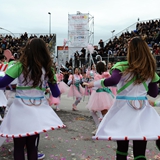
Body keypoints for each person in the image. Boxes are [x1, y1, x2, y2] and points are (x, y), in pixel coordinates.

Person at [84, 37, 160, 159]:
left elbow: (113, 80)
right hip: (142, 110)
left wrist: (93, 84)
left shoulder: (122, 66)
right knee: (140, 150)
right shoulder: (150, 70)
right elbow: (154, 93)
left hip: (123, 109)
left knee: (122, 147)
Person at [0, 38, 66, 160]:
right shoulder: (48, 69)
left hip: (20, 110)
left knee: (19, 146)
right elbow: (56, 93)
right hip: (38, 111)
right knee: (33, 146)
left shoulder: (20, 66)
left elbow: (2, 83)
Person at [85, 62, 115, 135]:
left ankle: (100, 127)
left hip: (99, 94)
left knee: (96, 111)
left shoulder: (98, 76)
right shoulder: (106, 75)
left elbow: (96, 85)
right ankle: (102, 127)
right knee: (103, 112)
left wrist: (88, 85)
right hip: (105, 94)